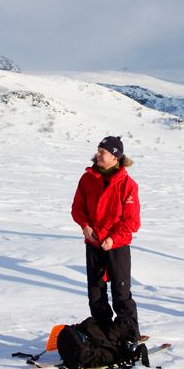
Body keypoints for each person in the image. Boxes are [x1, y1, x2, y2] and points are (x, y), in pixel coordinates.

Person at [71, 136, 142, 342]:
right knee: (95, 293)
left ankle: (129, 336)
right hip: (93, 243)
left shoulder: (128, 185)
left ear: (115, 157)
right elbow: (78, 208)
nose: (98, 154)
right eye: (98, 150)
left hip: (116, 245)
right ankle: (103, 334)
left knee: (121, 293)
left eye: (103, 151)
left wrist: (113, 238)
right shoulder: (87, 178)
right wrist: (84, 226)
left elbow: (132, 221)